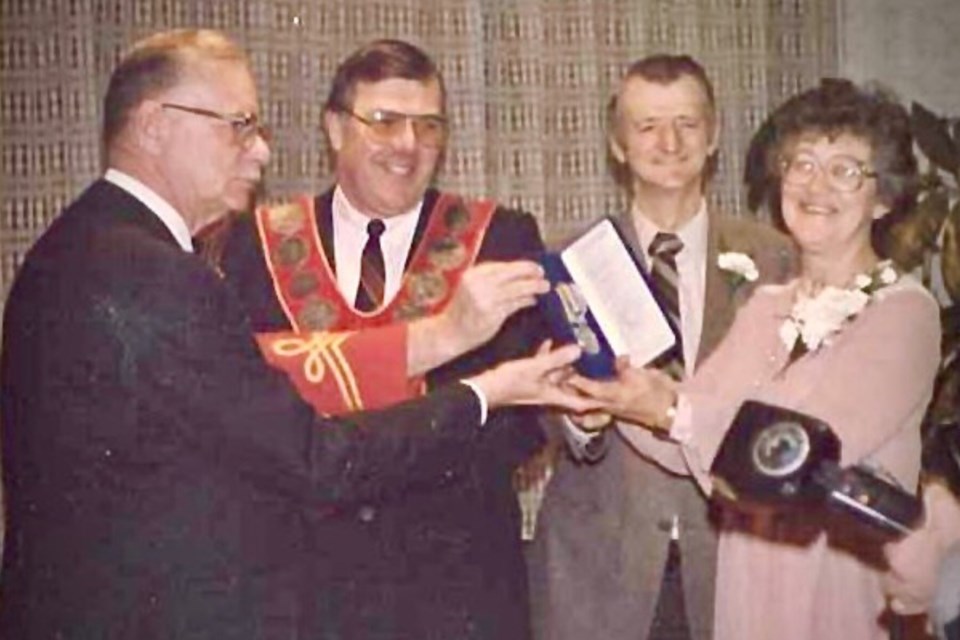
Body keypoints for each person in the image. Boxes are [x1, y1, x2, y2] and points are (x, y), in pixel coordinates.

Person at [0, 29, 596, 639]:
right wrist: (481, 389)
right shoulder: (185, 266)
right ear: (155, 125)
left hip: (447, 584)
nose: (258, 152)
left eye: (430, 126)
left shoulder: (75, 247)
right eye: (238, 126)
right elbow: (310, 452)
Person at [569, 78, 942, 640]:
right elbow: (690, 429)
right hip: (747, 581)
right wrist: (612, 395)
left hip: (834, 583)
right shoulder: (767, 305)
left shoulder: (904, 311)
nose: (817, 186)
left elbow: (796, 452)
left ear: (884, 196)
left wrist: (667, 411)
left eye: (846, 170)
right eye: (802, 164)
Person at [215, 39, 551, 639]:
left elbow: (521, 421)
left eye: (428, 125)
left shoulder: (498, 237)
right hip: (303, 584)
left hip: (456, 585)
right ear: (336, 128)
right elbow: (245, 417)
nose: (408, 145)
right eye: (385, 121)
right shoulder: (254, 244)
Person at [526, 54, 795, 640]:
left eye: (687, 123)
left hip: (732, 562)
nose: (669, 142)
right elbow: (537, 419)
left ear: (715, 133)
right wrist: (583, 423)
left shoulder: (778, 259)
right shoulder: (565, 261)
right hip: (598, 573)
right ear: (618, 144)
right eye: (647, 126)